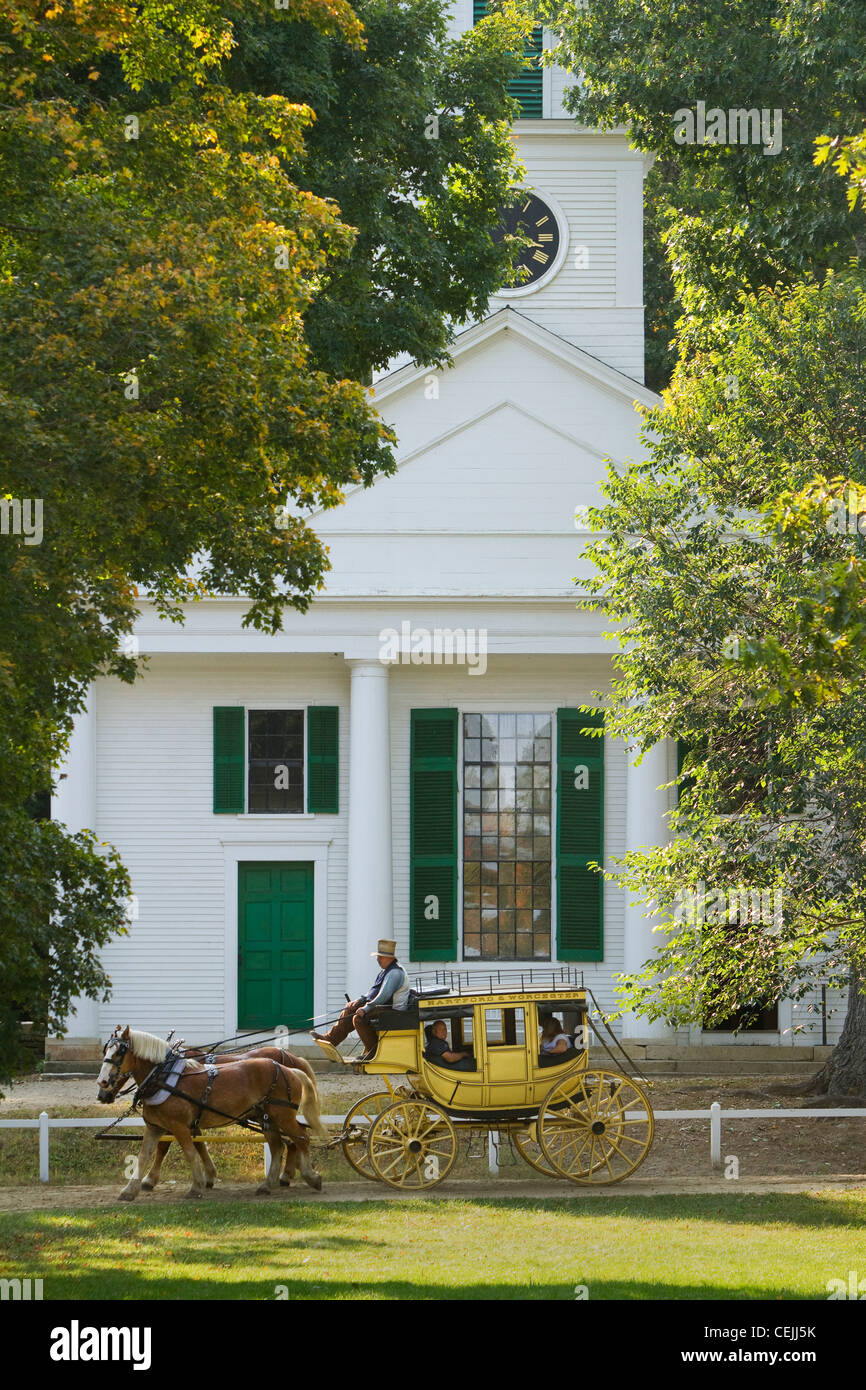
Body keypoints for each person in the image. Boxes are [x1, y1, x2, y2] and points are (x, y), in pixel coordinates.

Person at [312, 939, 411, 1060]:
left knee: (359, 1018)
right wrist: (358, 1001)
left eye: (381, 957)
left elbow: (383, 996)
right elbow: (373, 991)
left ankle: (373, 1052)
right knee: (349, 1011)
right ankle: (330, 1039)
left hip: (394, 1011)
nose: (378, 960)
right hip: (382, 1007)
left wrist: (366, 1008)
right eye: (378, 957)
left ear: (389, 958)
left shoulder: (395, 973)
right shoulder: (385, 971)